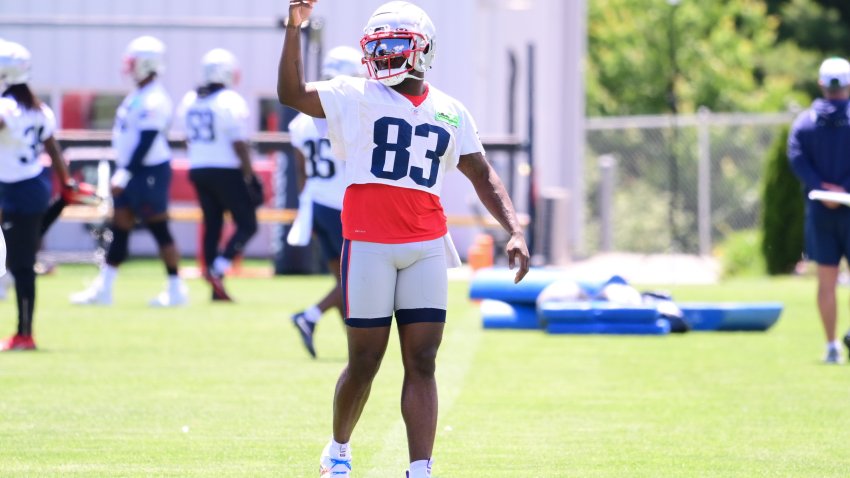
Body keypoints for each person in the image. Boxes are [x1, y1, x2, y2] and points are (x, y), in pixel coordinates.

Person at [278, 2, 530, 477]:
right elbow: (291, 92)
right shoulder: (354, 93)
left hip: (427, 245)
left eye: (395, 45)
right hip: (368, 242)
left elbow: (482, 173)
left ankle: (420, 468)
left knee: (423, 360)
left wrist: (514, 229)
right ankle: (337, 449)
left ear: (424, 50)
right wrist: (295, 28)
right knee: (365, 361)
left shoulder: (451, 111)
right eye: (378, 46)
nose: (386, 56)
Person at [71, 36, 187, 307]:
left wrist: (126, 173)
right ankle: (105, 289)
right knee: (120, 227)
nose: (129, 67)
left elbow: (147, 140)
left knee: (159, 228)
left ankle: (176, 289)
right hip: (133, 169)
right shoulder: (139, 95)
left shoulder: (155, 98)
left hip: (147, 171)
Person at [288, 45, 364, 358]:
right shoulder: (348, 116)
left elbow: (301, 173)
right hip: (340, 205)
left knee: (344, 279)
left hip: (315, 204)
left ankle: (356, 342)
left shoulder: (300, 121)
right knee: (355, 278)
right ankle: (310, 315)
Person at [0, 41, 74, 350]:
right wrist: (66, 183)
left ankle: (25, 333)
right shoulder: (39, 107)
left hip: (15, 191)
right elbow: (53, 148)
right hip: (32, 187)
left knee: (21, 264)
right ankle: (23, 331)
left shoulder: (7, 106)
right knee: (20, 260)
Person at [178, 48, 260, 302]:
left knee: (212, 225)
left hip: (199, 168)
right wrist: (250, 175)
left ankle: (215, 284)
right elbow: (239, 143)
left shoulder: (190, 99)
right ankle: (219, 268)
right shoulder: (229, 100)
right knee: (248, 223)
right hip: (225, 168)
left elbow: (186, 139)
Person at [789, 56, 850, 364]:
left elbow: (796, 156)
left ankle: (831, 347)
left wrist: (820, 187)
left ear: (822, 84)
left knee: (826, 281)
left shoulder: (805, 121)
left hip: (819, 211)